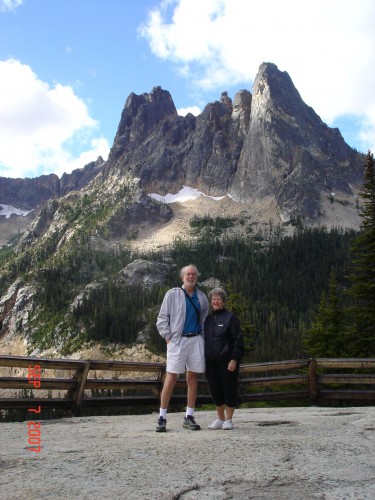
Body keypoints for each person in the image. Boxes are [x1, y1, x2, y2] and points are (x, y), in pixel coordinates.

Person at [155, 264, 209, 432]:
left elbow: (205, 321)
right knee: (171, 377)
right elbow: (162, 318)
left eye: (193, 274)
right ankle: (162, 417)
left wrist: (203, 338)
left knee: (192, 378)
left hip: (195, 340)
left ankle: (189, 416)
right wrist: (168, 337)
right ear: (182, 277)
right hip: (177, 341)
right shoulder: (172, 294)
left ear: (197, 277)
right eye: (188, 274)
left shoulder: (201, 297)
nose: (191, 277)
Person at [204, 287, 244, 430]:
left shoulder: (230, 318)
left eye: (218, 299)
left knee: (229, 389)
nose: (215, 301)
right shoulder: (208, 319)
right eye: (213, 299)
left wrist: (234, 359)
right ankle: (220, 419)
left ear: (223, 301)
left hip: (227, 361)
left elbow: (238, 341)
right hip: (210, 362)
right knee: (215, 390)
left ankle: (229, 420)